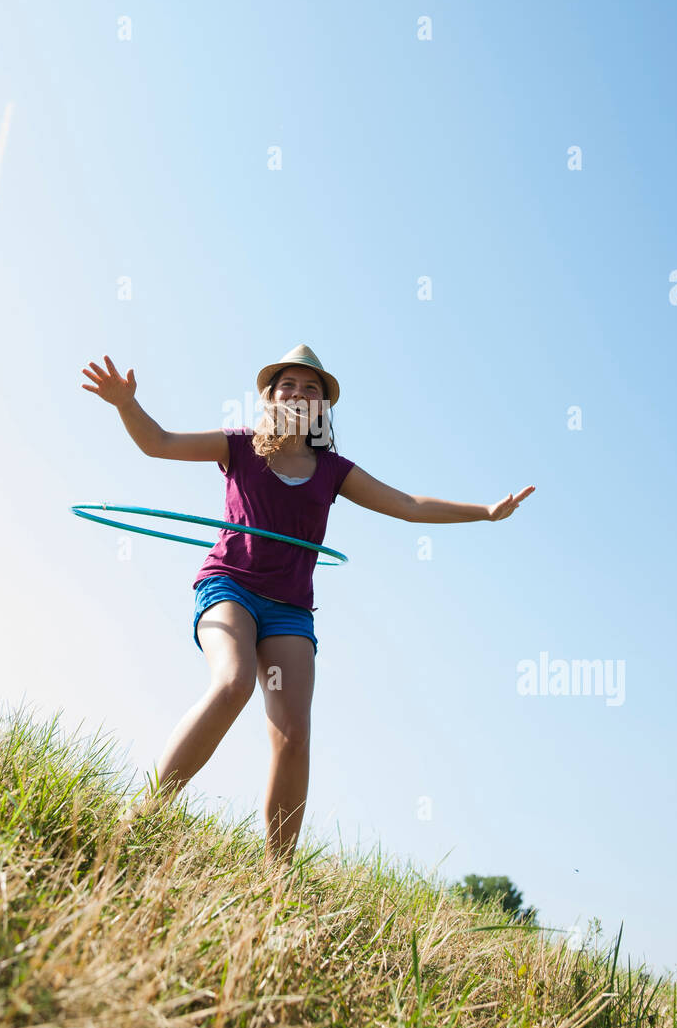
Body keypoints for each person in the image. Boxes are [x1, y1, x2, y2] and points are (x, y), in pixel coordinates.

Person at [81, 343, 534, 870]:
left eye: (311, 389)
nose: (299, 394)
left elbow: (408, 506)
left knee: (293, 734)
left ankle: (277, 879)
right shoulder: (239, 446)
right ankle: (144, 817)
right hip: (230, 587)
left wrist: (485, 511)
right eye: (289, 386)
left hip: (290, 610)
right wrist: (125, 405)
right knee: (233, 683)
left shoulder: (332, 471)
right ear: (271, 397)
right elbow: (157, 442)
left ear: (322, 408)